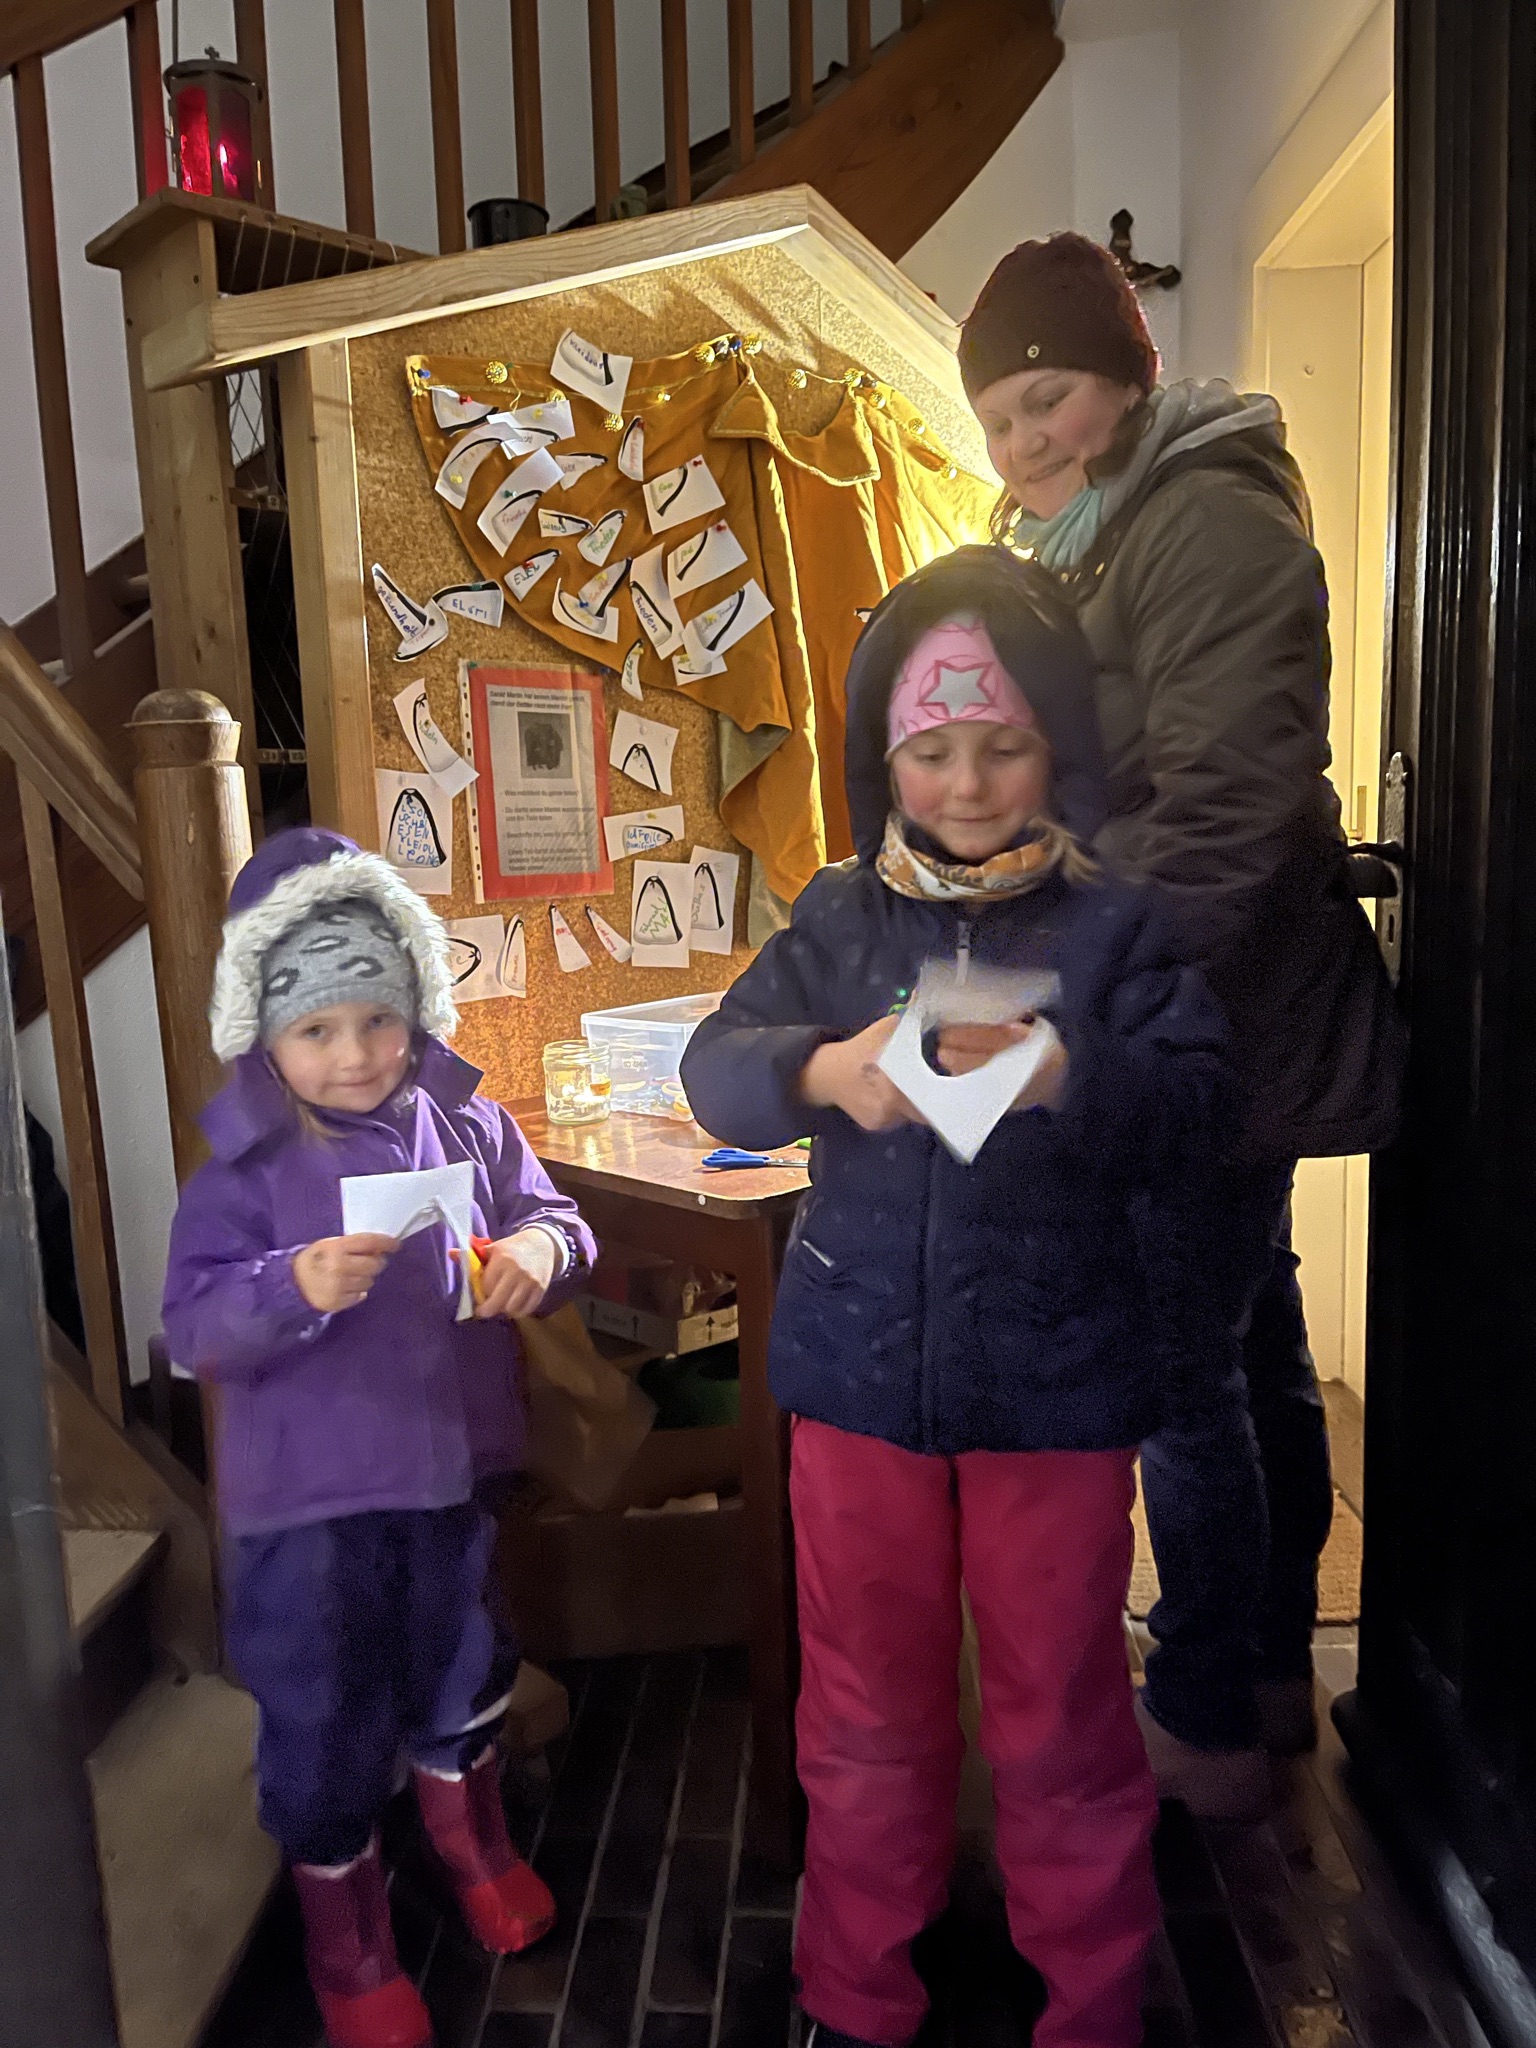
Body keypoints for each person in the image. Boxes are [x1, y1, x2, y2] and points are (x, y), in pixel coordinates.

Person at [681, 550, 1235, 2048]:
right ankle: (854, 1996)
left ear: (1060, 744)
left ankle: (1093, 2008)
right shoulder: (838, 915)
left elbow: (1204, 1111)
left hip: (1059, 1386)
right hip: (856, 1385)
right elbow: (714, 1066)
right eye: (932, 750)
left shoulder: (1119, 927)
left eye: (1004, 745)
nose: (970, 783)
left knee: (1064, 1717)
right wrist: (820, 1070)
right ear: (885, 758)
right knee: (863, 1715)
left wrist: (1069, 1077)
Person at [956, 232, 1406, 1818]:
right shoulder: (1101, 537)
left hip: (1198, 1020)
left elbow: (1225, 809)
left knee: (1173, 1376)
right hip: (1210, 1016)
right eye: (999, 419)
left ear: (1129, 381)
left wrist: (1056, 981)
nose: (1025, 444)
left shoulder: (1204, 522)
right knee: (1250, 1337)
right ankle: (1268, 1666)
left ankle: (1206, 1710)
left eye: (1049, 399)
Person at [162, 827, 597, 2048]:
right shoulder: (241, 1169)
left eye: (378, 1018)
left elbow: (560, 1219)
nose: (354, 1053)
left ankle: (473, 1841)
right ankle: (346, 1936)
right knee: (323, 1704)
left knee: (466, 1660)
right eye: (317, 1027)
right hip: (307, 1505)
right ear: (264, 1032)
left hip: (450, 1474)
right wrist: (291, 1281)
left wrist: (539, 1248)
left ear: (415, 1005)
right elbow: (191, 1323)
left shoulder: (470, 1120)